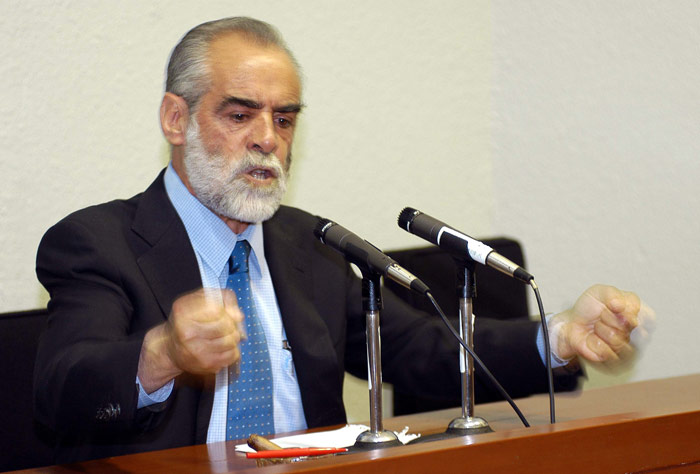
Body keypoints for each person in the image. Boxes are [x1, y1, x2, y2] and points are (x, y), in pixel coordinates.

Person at [34, 17, 642, 463]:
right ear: (176, 119)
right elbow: (62, 391)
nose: (267, 139)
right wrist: (162, 352)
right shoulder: (96, 243)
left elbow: (422, 351)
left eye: (285, 118)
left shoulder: (312, 245)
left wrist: (557, 336)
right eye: (240, 115)